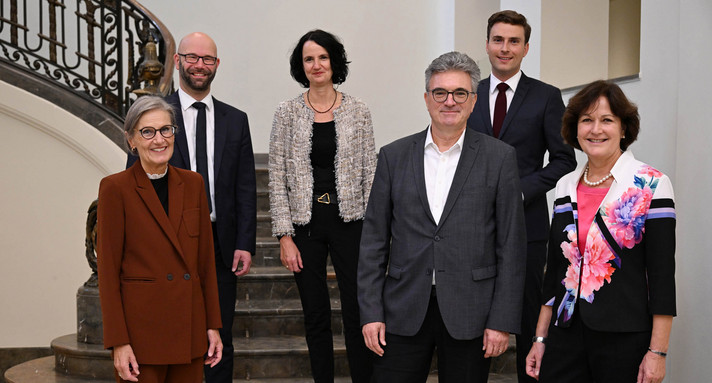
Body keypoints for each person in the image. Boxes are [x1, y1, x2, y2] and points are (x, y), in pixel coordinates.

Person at [358, 51, 526, 383]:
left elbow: (511, 246)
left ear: (473, 100)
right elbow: (373, 241)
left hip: (472, 312)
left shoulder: (500, 158)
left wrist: (502, 320)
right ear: (426, 98)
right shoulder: (393, 156)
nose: (449, 101)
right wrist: (370, 312)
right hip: (402, 310)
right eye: (440, 93)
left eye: (460, 93)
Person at [525, 80, 676, 383]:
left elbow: (660, 277)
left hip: (624, 337)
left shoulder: (651, 184)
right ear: (575, 129)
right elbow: (555, 271)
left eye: (607, 120)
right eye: (587, 120)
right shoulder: (565, 185)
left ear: (623, 128)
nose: (596, 129)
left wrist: (657, 353)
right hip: (565, 333)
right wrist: (540, 339)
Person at [127, 32, 257, 382]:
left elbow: (245, 187)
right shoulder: (156, 115)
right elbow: (134, 181)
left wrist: (245, 241)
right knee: (170, 334)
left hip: (219, 244)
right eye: (193, 57)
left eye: (208, 59)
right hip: (168, 243)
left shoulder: (236, 120)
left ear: (216, 65)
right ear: (177, 61)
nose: (200, 65)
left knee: (220, 336)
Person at [466, 10, 577, 383]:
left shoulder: (546, 97)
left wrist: (520, 189)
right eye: (498, 39)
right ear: (487, 45)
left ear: (526, 48)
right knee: (474, 323)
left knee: (531, 320)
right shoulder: (467, 93)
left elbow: (564, 159)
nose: (505, 48)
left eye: (514, 41)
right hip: (471, 227)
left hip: (527, 228)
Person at [268, 29, 377, 383]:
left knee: (356, 311)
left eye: (323, 57)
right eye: (309, 59)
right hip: (305, 226)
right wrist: (285, 236)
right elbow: (276, 176)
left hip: (351, 222)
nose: (316, 65)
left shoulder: (358, 111)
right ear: (302, 66)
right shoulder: (286, 113)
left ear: (334, 61)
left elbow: (369, 172)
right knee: (315, 313)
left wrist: (375, 229)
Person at [98, 96, 223, 383]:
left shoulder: (193, 183)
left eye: (166, 130)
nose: (159, 139)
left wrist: (212, 326)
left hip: (189, 330)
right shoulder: (115, 189)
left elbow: (205, 263)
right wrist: (119, 341)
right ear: (132, 140)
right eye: (148, 132)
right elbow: (108, 273)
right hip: (141, 338)